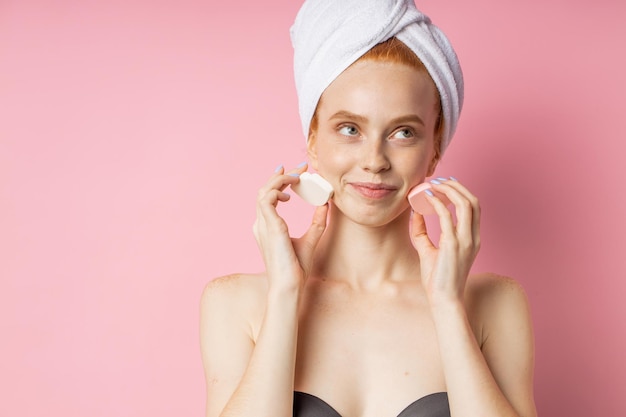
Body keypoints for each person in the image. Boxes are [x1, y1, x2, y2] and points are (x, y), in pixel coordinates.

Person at [200, 1, 536, 416]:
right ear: (312, 140)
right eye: (350, 129)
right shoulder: (235, 303)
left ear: (434, 150)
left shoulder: (493, 304)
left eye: (403, 132)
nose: (374, 160)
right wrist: (285, 293)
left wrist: (448, 306)